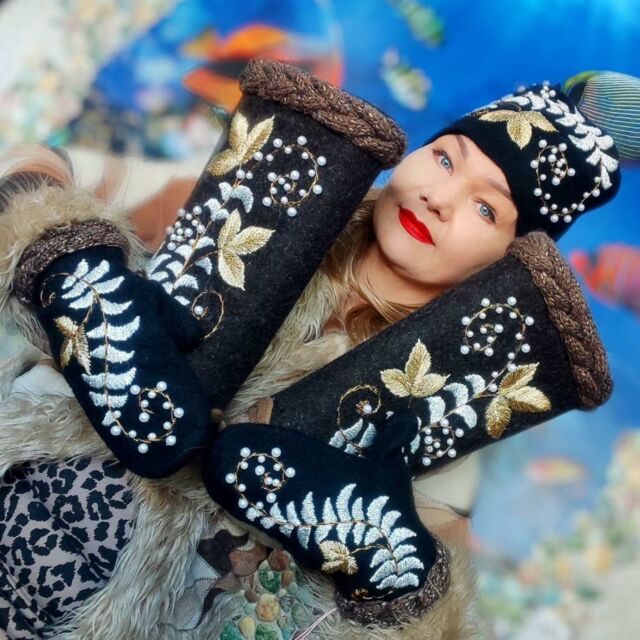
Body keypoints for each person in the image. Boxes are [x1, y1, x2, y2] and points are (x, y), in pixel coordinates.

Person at [0, 61, 624, 639]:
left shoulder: (454, 408)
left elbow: (430, 617)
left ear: (508, 260)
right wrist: (66, 263)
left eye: (485, 208)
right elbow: (35, 165)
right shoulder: (251, 198)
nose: (441, 197)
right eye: (444, 158)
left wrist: (395, 572)